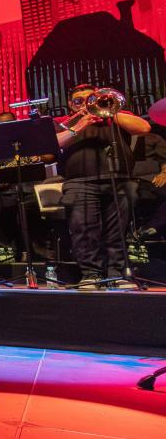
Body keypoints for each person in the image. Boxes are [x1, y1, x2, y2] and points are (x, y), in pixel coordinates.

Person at [54, 84, 149, 289]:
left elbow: (144, 128)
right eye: (79, 101)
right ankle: (91, 274)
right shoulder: (63, 122)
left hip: (119, 179)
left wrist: (109, 111)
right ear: (70, 104)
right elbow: (52, 146)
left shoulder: (116, 114)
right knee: (84, 232)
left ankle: (118, 273)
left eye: (91, 99)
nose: (86, 104)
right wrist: (80, 124)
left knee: (118, 231)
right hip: (79, 182)